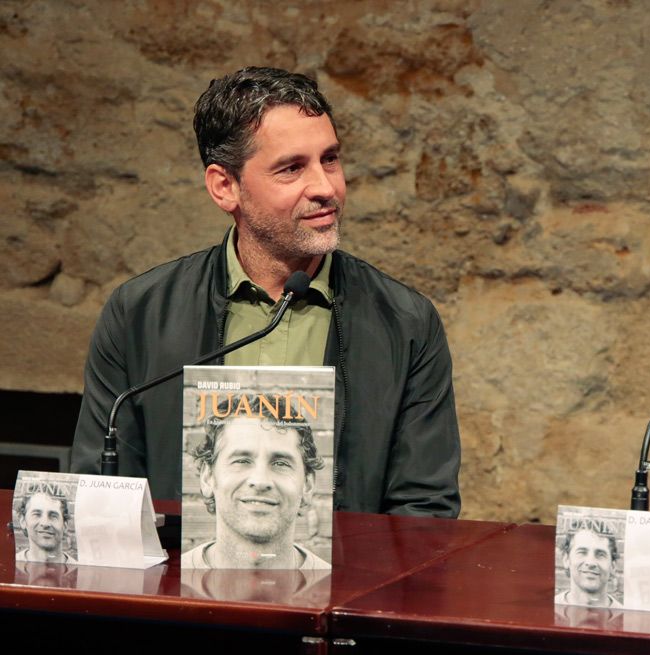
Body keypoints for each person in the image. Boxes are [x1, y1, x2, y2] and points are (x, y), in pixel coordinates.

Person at [69, 66, 461, 516]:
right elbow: (104, 494)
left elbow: (424, 510)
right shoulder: (138, 313)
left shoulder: (407, 323)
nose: (326, 187)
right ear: (225, 187)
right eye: (292, 168)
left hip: (352, 585)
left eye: (330, 159)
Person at [181, 398, 331, 569]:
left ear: (307, 485)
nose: (260, 481)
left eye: (281, 463)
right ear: (207, 477)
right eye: (242, 461)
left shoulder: (335, 587)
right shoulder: (170, 580)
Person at [555, 521, 623, 608]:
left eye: (601, 554)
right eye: (582, 552)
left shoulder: (626, 617)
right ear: (566, 560)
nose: (591, 563)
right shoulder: (548, 608)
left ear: (612, 566)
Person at [16, 482, 77, 564]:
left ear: (65, 525)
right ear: (23, 521)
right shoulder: (10, 564)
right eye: (37, 514)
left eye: (53, 516)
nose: (45, 523)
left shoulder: (79, 571)